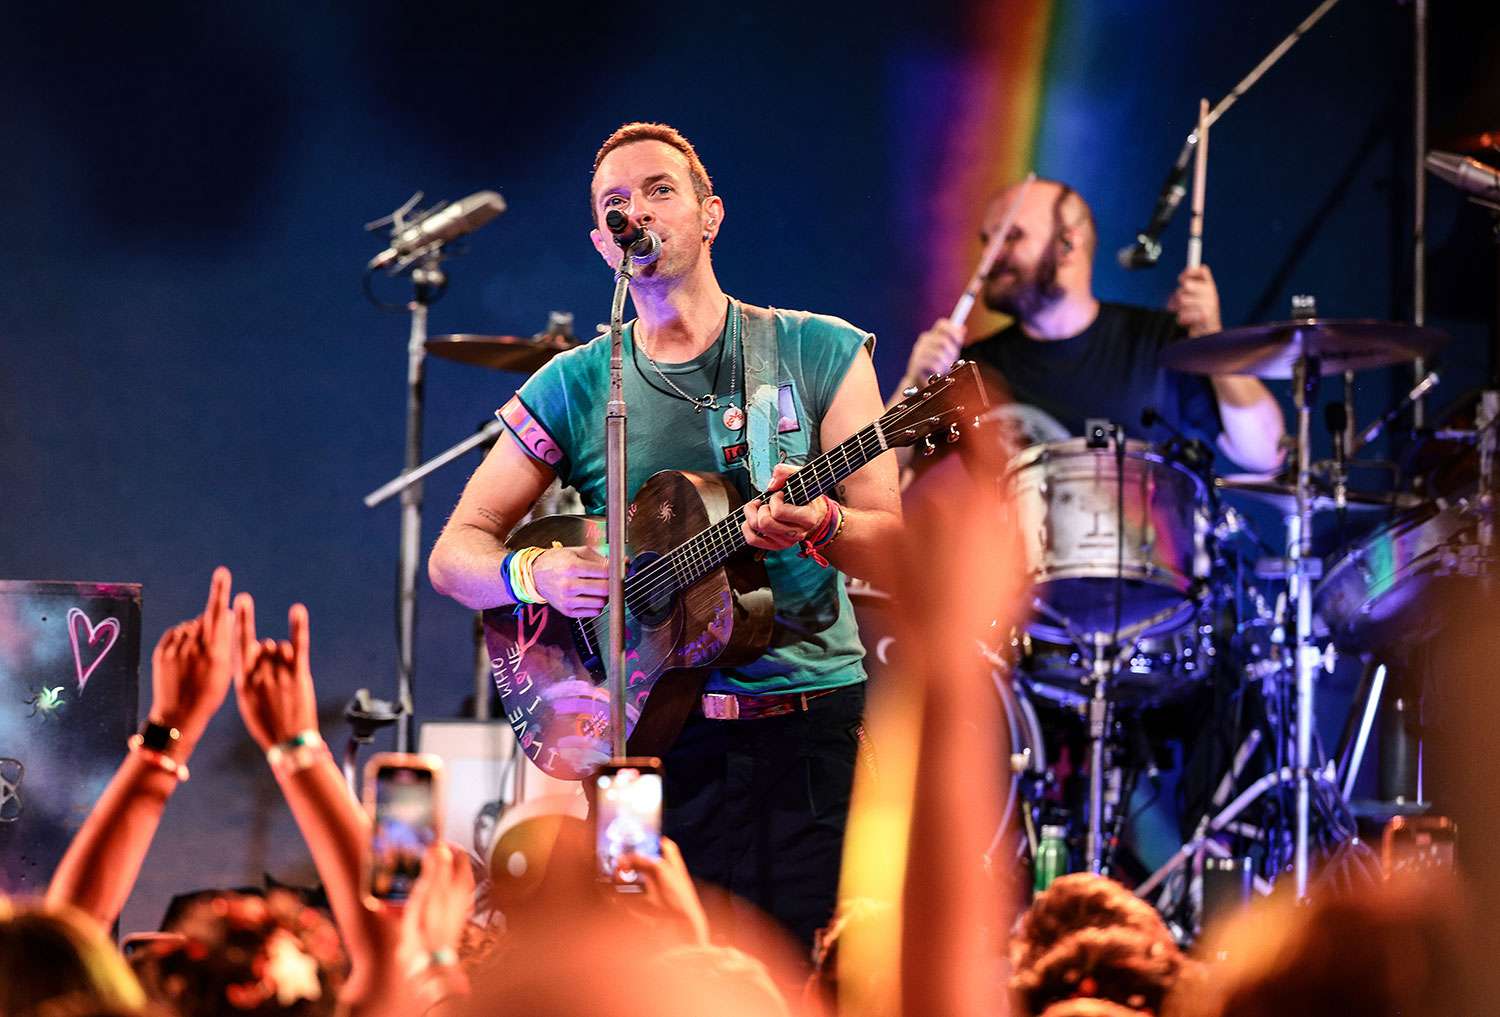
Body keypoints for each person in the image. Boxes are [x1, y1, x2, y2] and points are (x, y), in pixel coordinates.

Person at [428, 121, 902, 949]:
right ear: (601, 244)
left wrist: (822, 521)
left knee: (816, 972)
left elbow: (895, 542)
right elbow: (455, 553)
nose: (634, 211)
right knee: (652, 977)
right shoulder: (578, 381)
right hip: (653, 746)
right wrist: (535, 575)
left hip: (809, 735)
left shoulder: (818, 349)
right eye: (614, 202)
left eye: (658, 190)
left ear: (710, 214)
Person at [898, 179, 1285, 473]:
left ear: (1068, 245)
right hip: (1000, 579)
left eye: (1011, 236)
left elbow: (1267, 453)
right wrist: (912, 383)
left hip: (1139, 573)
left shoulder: (1161, 343)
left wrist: (1211, 341)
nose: (990, 256)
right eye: (987, 241)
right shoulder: (971, 369)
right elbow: (884, 483)